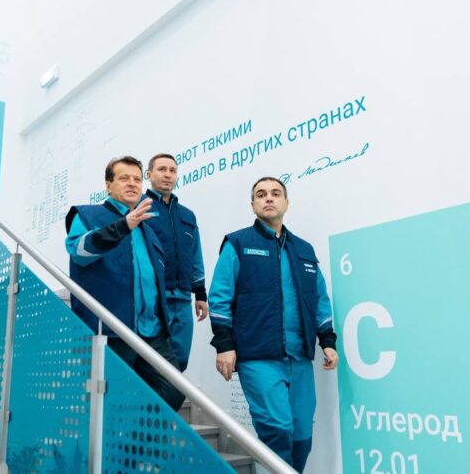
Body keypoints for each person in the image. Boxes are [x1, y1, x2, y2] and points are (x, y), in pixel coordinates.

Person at [209, 176, 339, 472]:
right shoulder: (238, 243)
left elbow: (320, 299)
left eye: (276, 193)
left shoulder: (304, 250)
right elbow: (219, 297)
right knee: (277, 429)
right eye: (261, 194)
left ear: (286, 203)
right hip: (258, 356)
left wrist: (328, 341)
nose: (269, 198)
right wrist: (224, 345)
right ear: (253, 204)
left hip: (300, 357)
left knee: (302, 436)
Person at [64, 155, 184, 411]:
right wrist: (122, 226)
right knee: (111, 403)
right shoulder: (87, 215)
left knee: (174, 391)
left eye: (137, 180)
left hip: (151, 332)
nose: (132, 184)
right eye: (124, 178)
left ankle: (137, 435)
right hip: (111, 331)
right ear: (108, 185)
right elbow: (79, 252)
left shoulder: (148, 230)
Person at [144, 153, 208, 372]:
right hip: (153, 298)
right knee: (151, 360)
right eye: (162, 169)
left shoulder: (187, 215)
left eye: (172, 170)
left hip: (182, 299)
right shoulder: (139, 209)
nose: (168, 175)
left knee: (180, 360)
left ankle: (170, 394)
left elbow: (195, 255)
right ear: (149, 175)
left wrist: (200, 294)